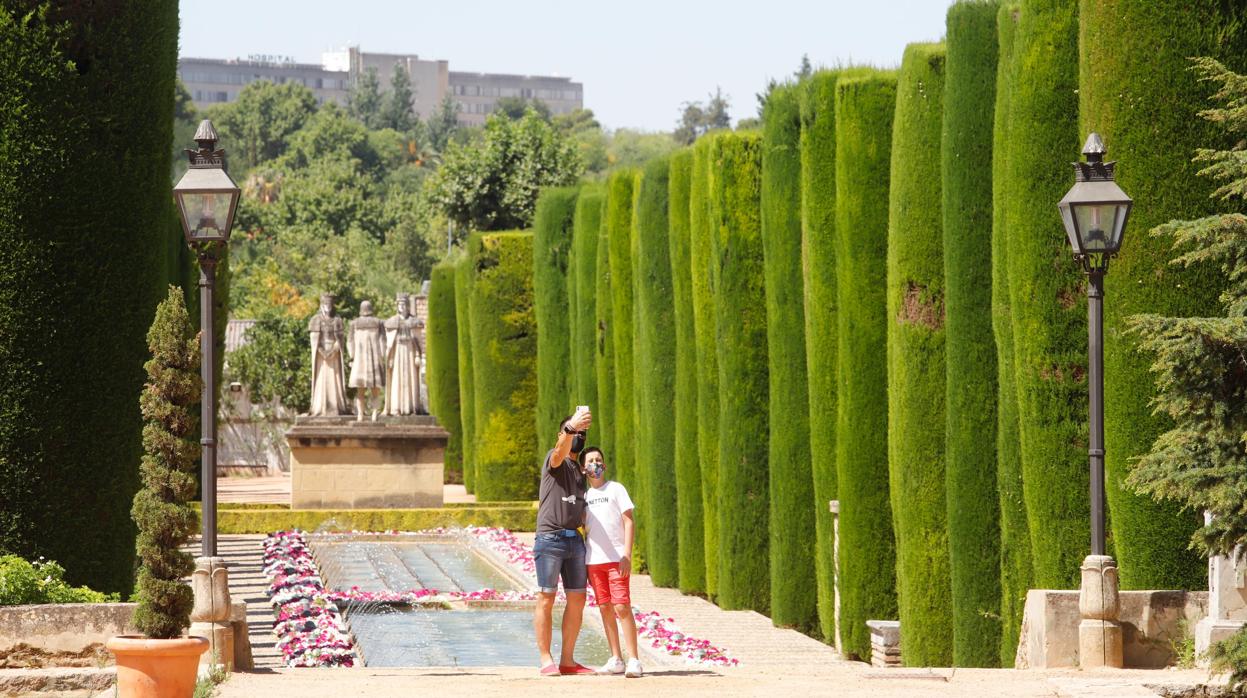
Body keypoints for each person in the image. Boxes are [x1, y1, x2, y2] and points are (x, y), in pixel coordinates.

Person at [533, 406, 594, 676]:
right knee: (546, 597)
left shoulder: (580, 473)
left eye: (582, 433)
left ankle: (567, 660)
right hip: (551, 538)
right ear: (563, 433)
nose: (579, 436)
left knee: (578, 599)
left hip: (575, 541)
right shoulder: (554, 459)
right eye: (574, 432)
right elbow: (559, 453)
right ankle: (546, 659)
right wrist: (571, 426)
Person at [581, 447, 642, 678]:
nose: (595, 463)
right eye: (590, 461)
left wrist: (626, 554)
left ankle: (634, 660)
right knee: (605, 607)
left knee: (622, 606)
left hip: (617, 560)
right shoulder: (584, 497)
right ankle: (616, 658)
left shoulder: (616, 489)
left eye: (598, 460)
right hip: (593, 561)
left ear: (604, 466)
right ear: (584, 468)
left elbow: (628, 522)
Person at [308, 293, 348, 416]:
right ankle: (320, 406)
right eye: (325, 304)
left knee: (334, 379)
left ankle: (336, 406)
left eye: (329, 304)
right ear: (321, 305)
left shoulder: (337, 320)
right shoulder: (316, 320)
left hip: (334, 355)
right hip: (321, 357)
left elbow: (340, 340)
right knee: (322, 379)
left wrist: (333, 350)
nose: (328, 307)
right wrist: (322, 352)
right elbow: (314, 341)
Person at [347, 300, 386, 421]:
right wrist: (382, 357)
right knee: (372, 390)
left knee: (362, 390)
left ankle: (363, 415)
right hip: (367, 359)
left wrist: (352, 357)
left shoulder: (357, 323)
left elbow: (349, 341)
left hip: (364, 359)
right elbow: (383, 341)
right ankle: (367, 414)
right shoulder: (376, 322)